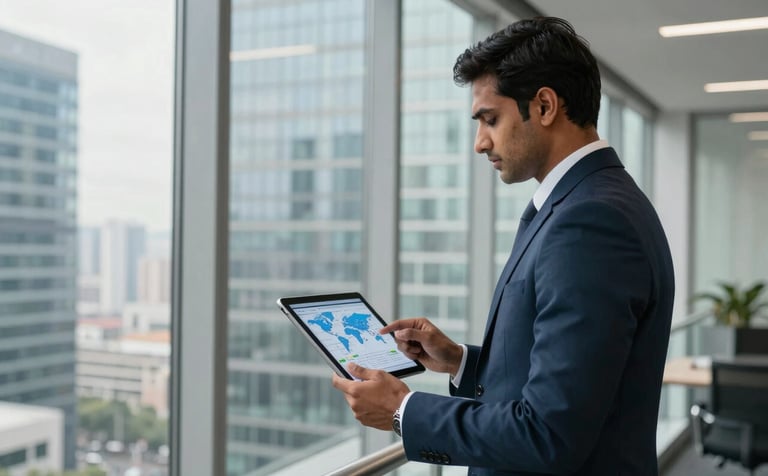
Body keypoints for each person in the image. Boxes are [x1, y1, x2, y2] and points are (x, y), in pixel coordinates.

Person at [332, 16, 674, 476]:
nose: (479, 143)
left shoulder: (590, 222)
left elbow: (550, 434)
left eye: (490, 119)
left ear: (545, 105)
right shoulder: (589, 201)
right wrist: (462, 362)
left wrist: (403, 411)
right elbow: (580, 382)